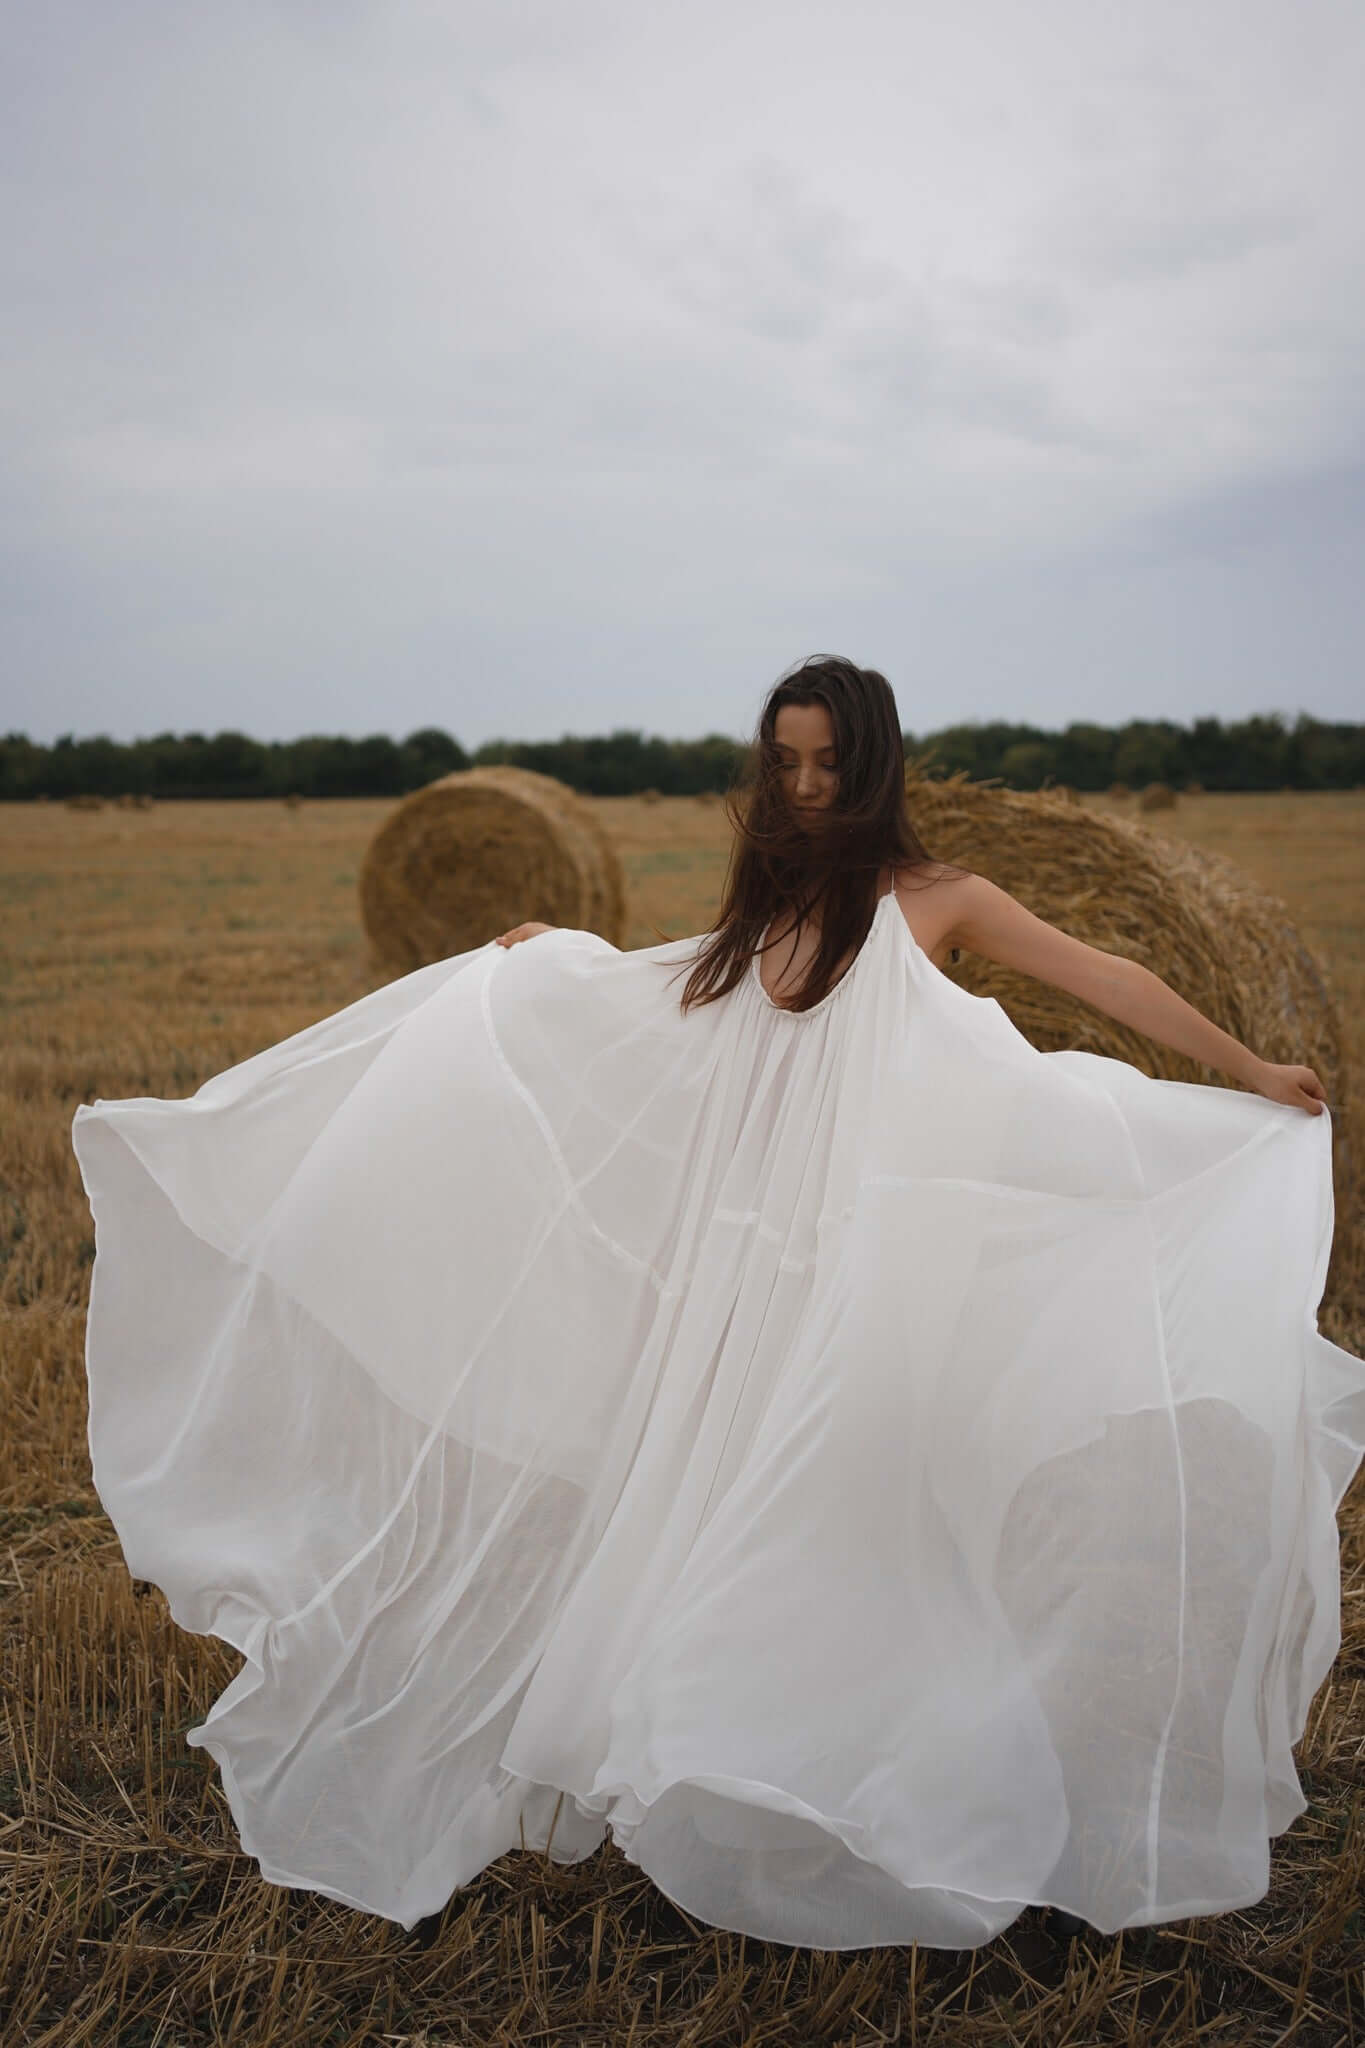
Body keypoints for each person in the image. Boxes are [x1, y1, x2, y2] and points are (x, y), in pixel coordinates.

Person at [71, 653, 1364, 1954]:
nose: (805, 787)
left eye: (829, 764)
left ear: (872, 764)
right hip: (742, 1267)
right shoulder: (771, 902)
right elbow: (675, 989)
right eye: (784, 763)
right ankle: (700, 1753)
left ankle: (825, 1763)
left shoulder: (940, 897)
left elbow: (1107, 981)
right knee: (706, 1502)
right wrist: (554, 961)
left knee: (823, 1509)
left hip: (860, 1269)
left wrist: (1248, 1066)